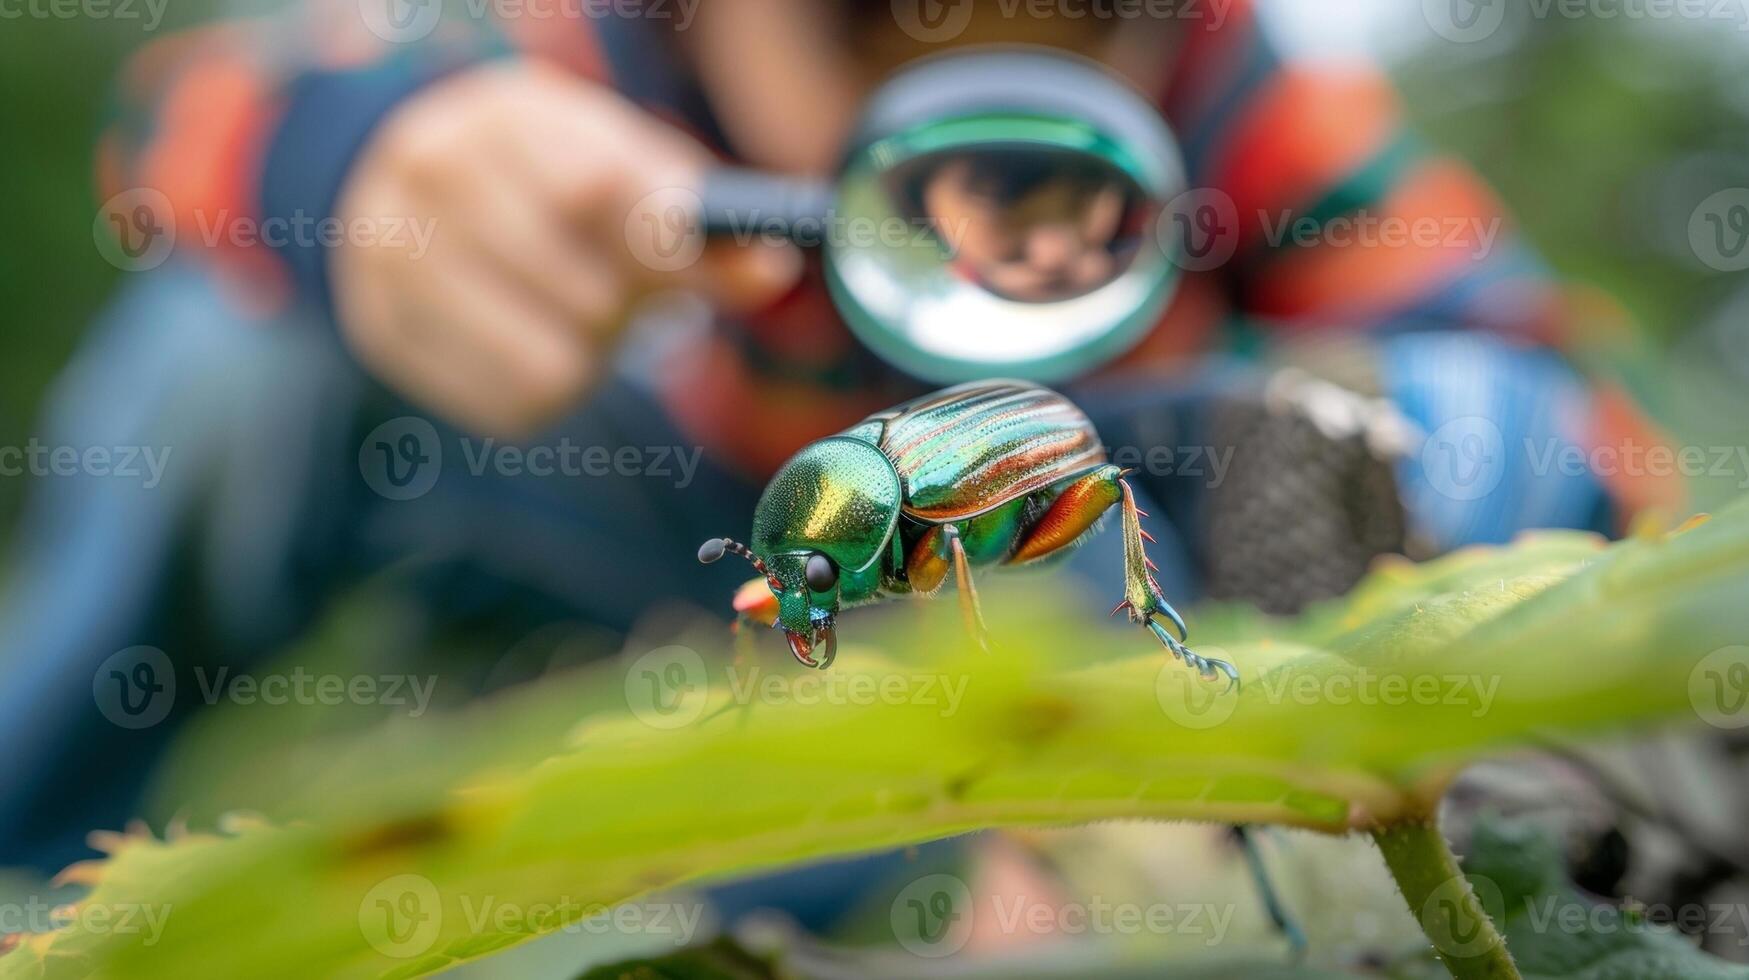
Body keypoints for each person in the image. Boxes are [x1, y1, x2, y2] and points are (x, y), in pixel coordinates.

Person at [0, 0, 1662, 887]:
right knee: (233, 345)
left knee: (1463, 420)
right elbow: (178, 113)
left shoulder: (1255, 106)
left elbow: (1550, 390)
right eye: (872, 23)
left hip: (1044, 631)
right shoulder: (591, 55)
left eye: (1081, 21)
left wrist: (1399, 448)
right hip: (634, 546)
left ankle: (1084, 859)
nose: (984, 171)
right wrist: (372, 162)